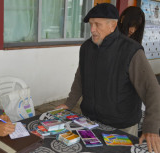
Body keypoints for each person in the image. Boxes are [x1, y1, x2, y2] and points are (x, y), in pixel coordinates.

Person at [56, 3, 160, 153]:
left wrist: (151, 127)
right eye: (91, 24)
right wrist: (69, 103)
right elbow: (80, 78)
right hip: (90, 122)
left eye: (97, 24)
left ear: (113, 25)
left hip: (121, 126)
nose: (92, 29)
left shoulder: (131, 50)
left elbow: (152, 90)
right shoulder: (86, 48)